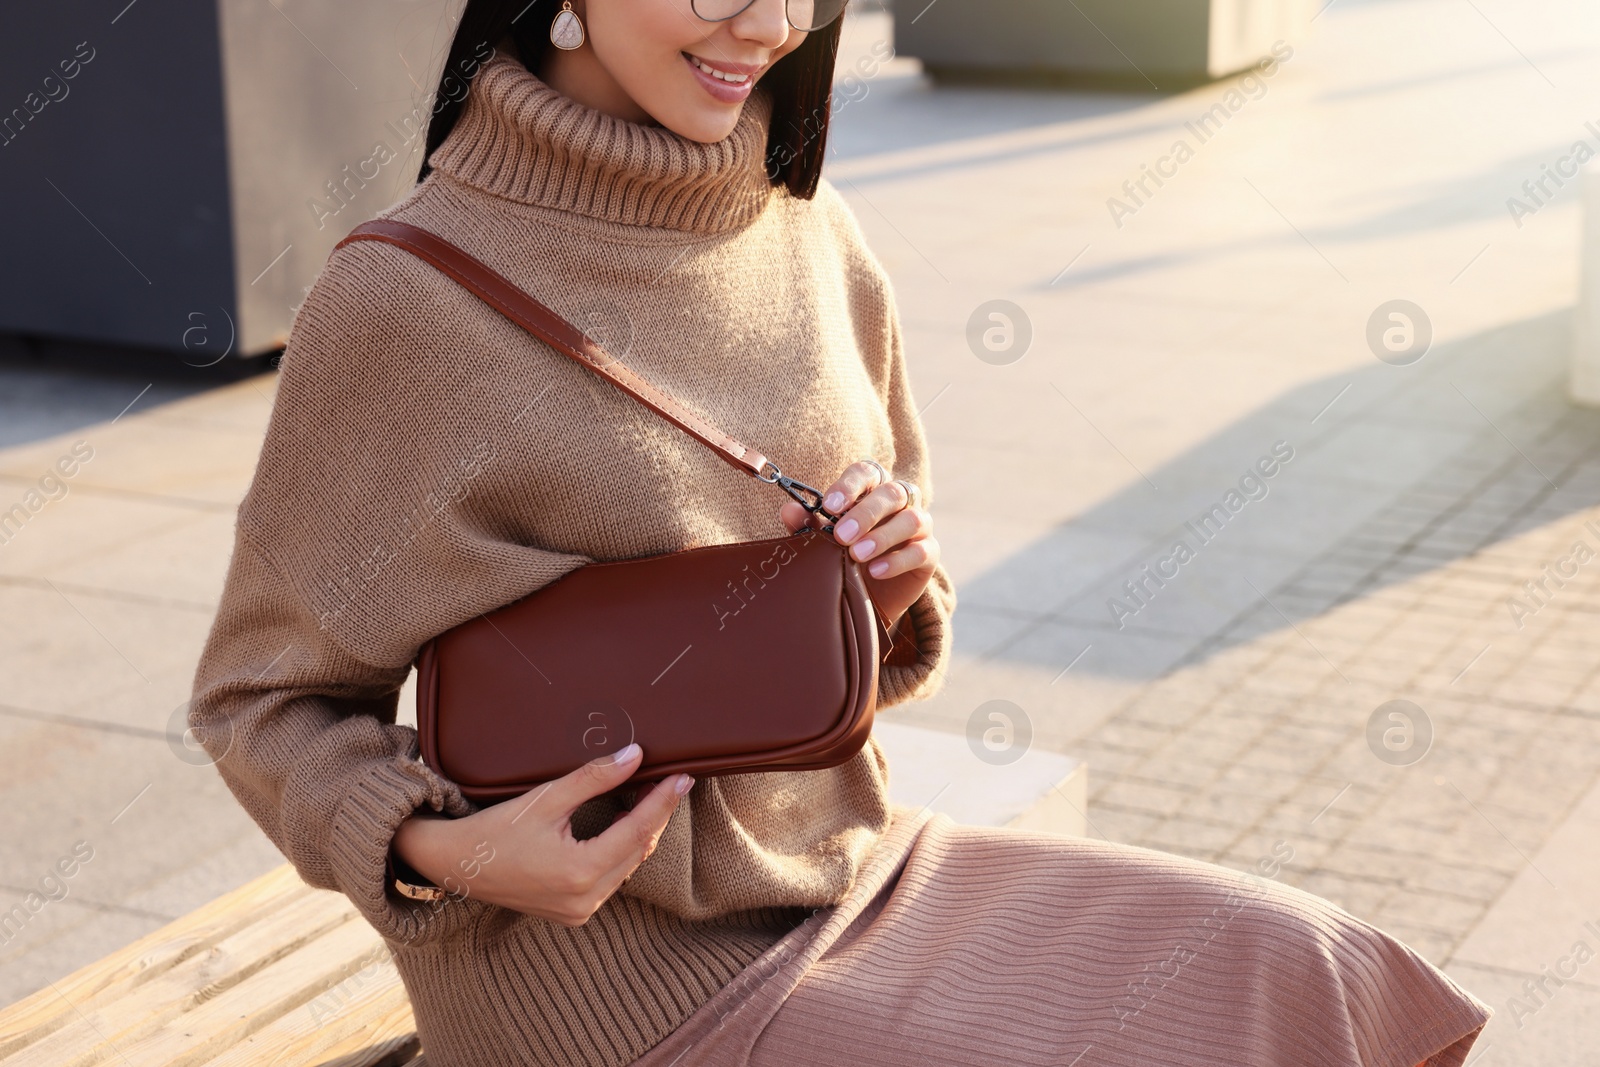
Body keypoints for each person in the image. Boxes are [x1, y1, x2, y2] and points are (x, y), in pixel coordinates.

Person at [188, 2, 1491, 1064]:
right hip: (599, 989)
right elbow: (259, 696)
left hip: (855, 869)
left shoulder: (813, 230)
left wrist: (887, 585)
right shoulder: (403, 299)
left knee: (1303, 967)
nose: (770, 24)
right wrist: (447, 854)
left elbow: (852, 640)